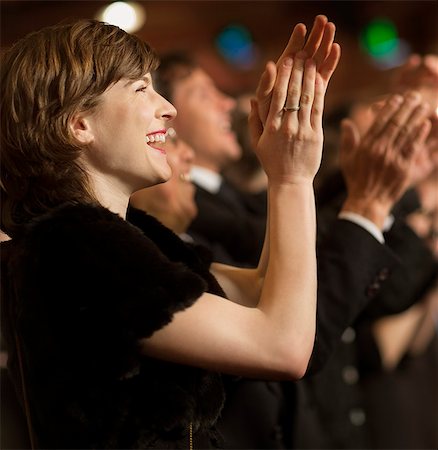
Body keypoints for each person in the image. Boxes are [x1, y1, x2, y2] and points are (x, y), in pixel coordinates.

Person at [0, 17, 338, 449]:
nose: (168, 107)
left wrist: (286, 173)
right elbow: (283, 347)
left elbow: (261, 293)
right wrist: (292, 177)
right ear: (78, 124)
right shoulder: (72, 249)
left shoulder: (123, 239)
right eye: (141, 88)